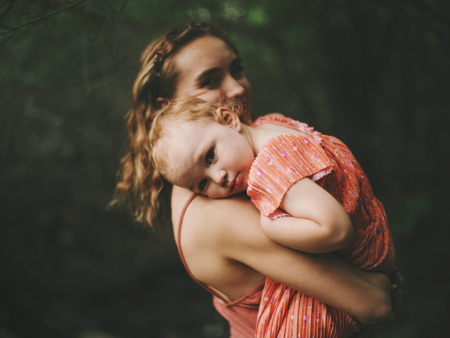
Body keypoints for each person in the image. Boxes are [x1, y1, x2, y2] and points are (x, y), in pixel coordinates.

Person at [113, 22, 398, 338]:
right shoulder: (214, 212)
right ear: (168, 110)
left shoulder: (259, 140)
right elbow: (374, 301)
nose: (236, 89)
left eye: (236, 70)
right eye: (209, 81)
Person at [145, 96, 396, 337]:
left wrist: (272, 226)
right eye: (201, 184)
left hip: (361, 258)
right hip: (373, 234)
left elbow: (336, 230)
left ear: (228, 119)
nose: (218, 177)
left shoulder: (269, 168)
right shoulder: (273, 125)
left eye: (210, 156)